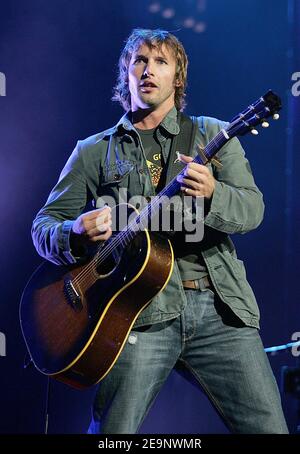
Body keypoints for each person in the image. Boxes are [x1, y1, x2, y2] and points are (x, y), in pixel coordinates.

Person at [31, 28, 288, 434]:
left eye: (161, 62)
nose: (148, 70)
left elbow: (253, 210)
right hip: (135, 313)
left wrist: (213, 194)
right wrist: (75, 231)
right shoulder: (94, 150)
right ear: (126, 73)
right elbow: (43, 225)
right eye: (139, 61)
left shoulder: (212, 134)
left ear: (178, 77)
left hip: (218, 310)